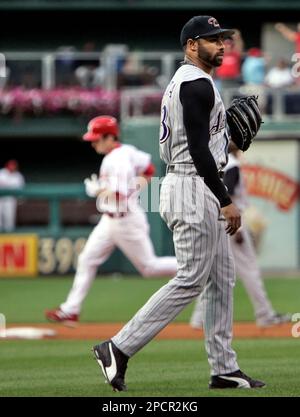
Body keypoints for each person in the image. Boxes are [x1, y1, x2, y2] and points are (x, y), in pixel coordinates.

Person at [91, 16, 265, 392]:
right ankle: (118, 347)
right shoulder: (197, 83)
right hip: (193, 184)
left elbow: (201, 140)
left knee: (222, 279)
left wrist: (223, 135)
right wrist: (225, 199)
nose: (221, 45)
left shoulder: (189, 82)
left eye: (222, 40)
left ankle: (224, 369)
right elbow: (200, 151)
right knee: (190, 279)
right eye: (212, 40)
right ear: (191, 45)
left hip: (188, 180)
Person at [45, 115, 177, 326]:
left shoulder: (117, 159)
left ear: (110, 137)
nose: (93, 143)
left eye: (97, 139)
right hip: (109, 221)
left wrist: (99, 191)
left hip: (126, 221)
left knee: (149, 267)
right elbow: (149, 169)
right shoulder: (128, 151)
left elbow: (119, 195)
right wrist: (135, 187)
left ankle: (192, 269)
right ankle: (71, 310)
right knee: (87, 259)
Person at [190, 151, 291, 329]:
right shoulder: (232, 163)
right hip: (232, 223)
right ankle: (264, 314)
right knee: (249, 269)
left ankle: (199, 319)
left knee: (213, 272)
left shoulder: (214, 160)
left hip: (215, 220)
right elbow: (226, 192)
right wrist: (237, 229)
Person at [0, 160, 25, 232]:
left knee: (9, 218)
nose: (12, 167)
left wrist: (20, 200)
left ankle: (9, 234)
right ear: (7, 165)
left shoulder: (18, 176)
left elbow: (21, 190)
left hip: (10, 200)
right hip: (0, 199)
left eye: (14, 165)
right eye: (11, 165)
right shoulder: (1, 173)